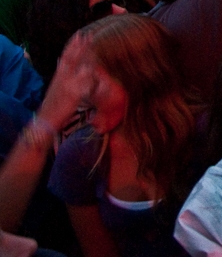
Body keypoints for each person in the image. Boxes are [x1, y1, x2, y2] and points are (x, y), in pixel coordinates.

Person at [48, 15, 196, 256]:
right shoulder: (79, 157)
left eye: (90, 81)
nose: (77, 95)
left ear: (139, 76)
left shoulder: (203, 133)